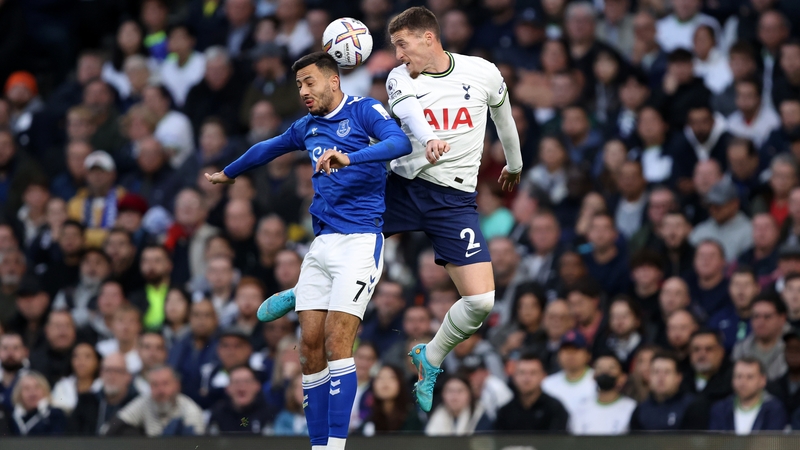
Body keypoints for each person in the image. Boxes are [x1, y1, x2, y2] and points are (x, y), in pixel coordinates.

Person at [257, 6, 523, 414]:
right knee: (348, 243)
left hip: (453, 201)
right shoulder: (401, 78)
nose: (397, 55)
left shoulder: (482, 72)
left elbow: (502, 115)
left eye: (402, 44)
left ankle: (430, 357)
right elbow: (412, 116)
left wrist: (514, 162)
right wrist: (431, 138)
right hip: (402, 185)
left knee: (482, 301)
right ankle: (305, 290)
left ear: (427, 38)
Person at [205, 51, 411, 450]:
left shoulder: (365, 110)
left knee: (338, 344)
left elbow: (399, 142)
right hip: (321, 245)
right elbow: (270, 147)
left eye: (310, 82)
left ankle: (335, 446)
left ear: (334, 80)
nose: (303, 91)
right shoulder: (307, 127)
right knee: (309, 351)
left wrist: (348, 156)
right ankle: (318, 445)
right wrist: (228, 173)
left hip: (360, 242)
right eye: (298, 84)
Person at [105, 365, 204, 436]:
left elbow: (198, 444)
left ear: (177, 385)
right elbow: (116, 423)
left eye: (165, 384)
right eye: (155, 385)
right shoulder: (146, 401)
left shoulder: (189, 410)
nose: (160, 390)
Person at [709, 357, 788, 433]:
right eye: (739, 376)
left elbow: (773, 444)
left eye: (749, 377)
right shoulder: (720, 409)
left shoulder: (775, 410)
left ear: (762, 380)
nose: (743, 382)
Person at [68, 353, 138, 435]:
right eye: (107, 370)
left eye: (118, 371)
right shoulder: (86, 402)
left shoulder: (137, 403)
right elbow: (71, 437)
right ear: (101, 374)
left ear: (128, 376)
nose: (112, 376)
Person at [494, 353, 568, 432]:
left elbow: (558, 441)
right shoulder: (505, 412)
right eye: (522, 373)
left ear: (543, 376)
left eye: (533, 373)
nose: (527, 379)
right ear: (514, 377)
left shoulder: (555, 409)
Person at [569, 353, 637, 435]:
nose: (605, 372)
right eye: (600, 368)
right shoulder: (581, 408)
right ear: (593, 376)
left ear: (622, 377)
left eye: (611, 368)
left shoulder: (632, 408)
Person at [629, 352, 695, 431]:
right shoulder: (640, 410)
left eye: (667, 372)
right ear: (649, 377)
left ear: (678, 377)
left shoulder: (691, 406)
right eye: (656, 372)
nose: (660, 377)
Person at [731, 295, 789, 381]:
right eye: (756, 316)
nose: (760, 322)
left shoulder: (794, 347)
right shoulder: (740, 348)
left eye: (767, 317)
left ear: (782, 318)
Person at [541, 330, 597, 418]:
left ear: (588, 355)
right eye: (566, 350)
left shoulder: (597, 379)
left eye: (576, 350)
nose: (570, 355)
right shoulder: (547, 384)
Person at [207, 365, 277, 435]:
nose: (241, 386)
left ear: (257, 386)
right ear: (227, 388)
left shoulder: (270, 414)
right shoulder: (218, 414)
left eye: (247, 381)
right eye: (236, 382)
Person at [425, 374, 492, 435]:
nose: (454, 397)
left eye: (460, 391)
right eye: (450, 391)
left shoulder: (481, 418)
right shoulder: (435, 415)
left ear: (469, 394)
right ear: (443, 394)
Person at [9, 371, 67, 435]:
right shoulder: (12, 419)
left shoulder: (55, 415)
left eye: (37, 387)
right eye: (27, 388)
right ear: (19, 394)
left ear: (45, 390)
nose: (32, 392)